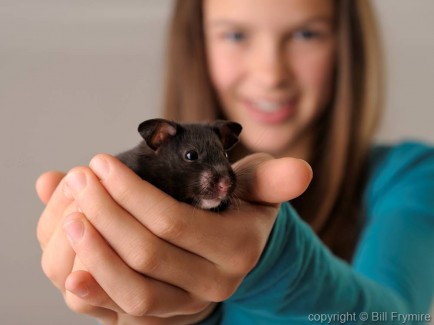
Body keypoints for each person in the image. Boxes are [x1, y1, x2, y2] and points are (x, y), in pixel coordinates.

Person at [36, 0, 434, 324]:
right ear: (199, 43)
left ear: (348, 46)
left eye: (305, 33)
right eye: (236, 34)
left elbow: (394, 317)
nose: (270, 74)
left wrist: (275, 261)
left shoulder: (412, 175)